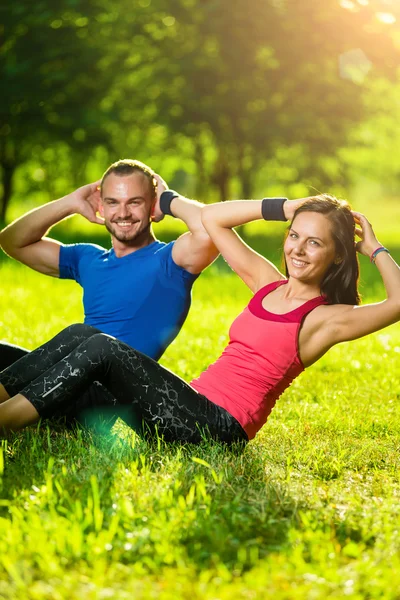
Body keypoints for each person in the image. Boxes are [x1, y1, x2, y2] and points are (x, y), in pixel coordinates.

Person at [0, 194, 399, 442]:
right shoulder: (268, 285)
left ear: (338, 254)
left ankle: (5, 421)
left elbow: (396, 303)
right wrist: (284, 208)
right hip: (185, 407)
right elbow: (212, 220)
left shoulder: (325, 319)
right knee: (83, 335)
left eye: (315, 242)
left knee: (103, 348)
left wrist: (376, 249)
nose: (298, 249)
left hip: (218, 428)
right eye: (294, 235)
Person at [0, 159, 218, 368]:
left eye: (135, 202)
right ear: (101, 207)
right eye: (113, 202)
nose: (123, 213)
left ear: (152, 206)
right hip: (66, 374)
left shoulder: (170, 261)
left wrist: (169, 200)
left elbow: (213, 231)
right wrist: (70, 203)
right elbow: (12, 241)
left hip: (109, 389)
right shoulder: (88, 259)